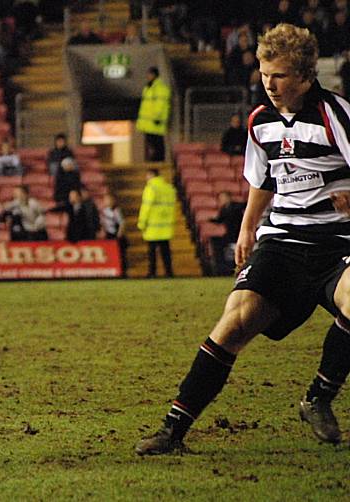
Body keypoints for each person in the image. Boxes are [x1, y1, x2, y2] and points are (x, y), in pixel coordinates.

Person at [136, 23, 350, 456]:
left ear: (307, 76)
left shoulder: (337, 114)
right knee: (235, 320)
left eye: (280, 75)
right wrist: (247, 228)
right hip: (284, 242)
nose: (269, 84)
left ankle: (318, 398)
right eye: (264, 73)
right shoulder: (259, 122)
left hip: (336, 244)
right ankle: (173, 430)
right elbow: (262, 178)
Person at [137, 168, 175, 278]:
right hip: (166, 226)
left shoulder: (151, 188)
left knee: (152, 252)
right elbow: (171, 207)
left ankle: (152, 273)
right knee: (166, 252)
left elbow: (146, 207)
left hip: (152, 226)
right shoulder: (169, 188)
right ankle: (169, 272)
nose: (146, 178)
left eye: (147, 175)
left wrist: (141, 223)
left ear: (151, 175)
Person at [136, 67, 171, 161]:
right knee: (152, 145)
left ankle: (158, 162)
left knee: (157, 145)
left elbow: (160, 104)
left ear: (154, 75)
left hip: (155, 122)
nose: (147, 76)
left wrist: (157, 117)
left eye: (149, 74)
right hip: (148, 123)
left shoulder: (159, 88)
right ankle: (154, 161)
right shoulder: (148, 88)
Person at [209, 191, 246, 275]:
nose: (222, 200)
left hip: (238, 234)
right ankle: (223, 269)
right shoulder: (224, 209)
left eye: (223, 198)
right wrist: (211, 220)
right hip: (229, 234)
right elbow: (220, 219)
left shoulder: (236, 206)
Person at [100, 193, 128, 276]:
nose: (107, 201)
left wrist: (120, 233)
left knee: (120, 254)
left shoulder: (116, 210)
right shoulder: (103, 211)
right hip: (108, 235)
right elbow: (102, 223)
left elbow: (122, 222)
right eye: (105, 200)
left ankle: (123, 272)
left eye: (109, 199)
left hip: (116, 235)